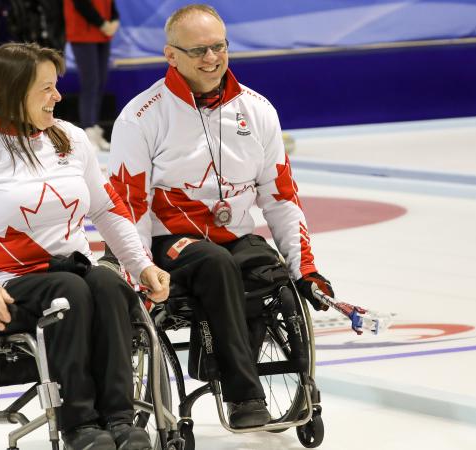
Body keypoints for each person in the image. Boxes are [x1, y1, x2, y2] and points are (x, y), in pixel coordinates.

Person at [0, 42, 170, 450]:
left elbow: (108, 210)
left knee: (110, 285)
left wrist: (142, 265)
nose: (57, 96)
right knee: (70, 291)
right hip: (8, 282)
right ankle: (80, 425)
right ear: (12, 90)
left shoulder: (70, 139)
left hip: (74, 270)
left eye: (57, 86)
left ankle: (121, 418)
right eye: (46, 89)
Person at [107, 4, 335, 429]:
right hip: (166, 241)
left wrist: (306, 269)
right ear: (170, 55)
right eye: (199, 51)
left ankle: (218, 361)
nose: (212, 58)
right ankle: (243, 396)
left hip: (232, 235)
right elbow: (127, 206)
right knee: (215, 264)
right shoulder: (142, 116)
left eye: (219, 47)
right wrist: (136, 270)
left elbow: (281, 196)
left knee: (267, 268)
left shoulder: (258, 110)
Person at [63, 0, 120, 152]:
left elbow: (111, 5)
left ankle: (94, 127)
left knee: (100, 83)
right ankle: (88, 130)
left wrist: (114, 20)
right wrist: (102, 24)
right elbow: (81, 5)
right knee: (90, 83)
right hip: (83, 34)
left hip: (103, 35)